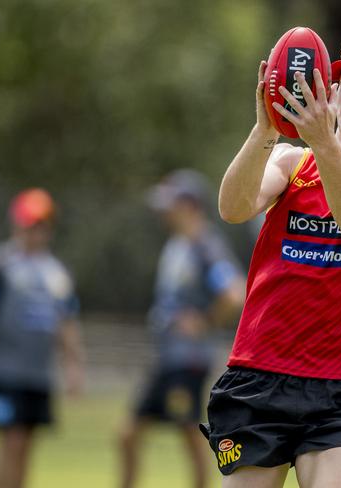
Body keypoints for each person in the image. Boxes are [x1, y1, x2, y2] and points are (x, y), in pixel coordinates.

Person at [200, 34, 341, 488]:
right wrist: (266, 126)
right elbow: (232, 207)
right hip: (260, 373)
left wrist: (326, 145)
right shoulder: (291, 162)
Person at [117, 169, 246, 488]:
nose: (164, 211)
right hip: (167, 359)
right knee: (128, 435)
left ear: (189, 205)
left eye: (171, 203)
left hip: (187, 361)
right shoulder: (179, 244)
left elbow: (233, 292)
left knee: (189, 434)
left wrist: (205, 321)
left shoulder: (205, 247)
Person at [0, 188, 84, 488]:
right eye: (30, 224)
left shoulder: (57, 272)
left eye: (42, 224)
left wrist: (73, 365)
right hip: (7, 370)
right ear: (17, 224)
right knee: (11, 440)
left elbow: (67, 322)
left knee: (27, 442)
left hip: (39, 374)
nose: (35, 231)